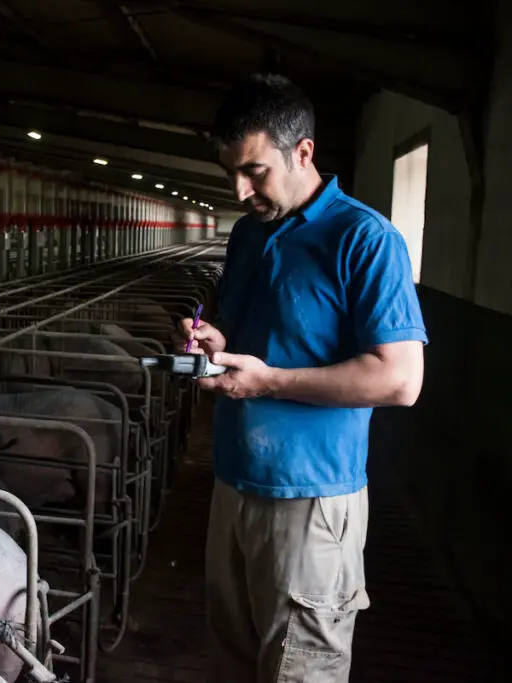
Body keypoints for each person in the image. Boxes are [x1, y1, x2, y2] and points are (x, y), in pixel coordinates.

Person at [180, 73, 428, 682]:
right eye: (230, 172)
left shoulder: (364, 238)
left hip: (312, 498)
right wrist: (214, 347)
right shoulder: (247, 235)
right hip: (233, 481)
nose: (240, 189)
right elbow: (250, 344)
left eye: (255, 171)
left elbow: (400, 379)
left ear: (304, 152)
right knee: (232, 657)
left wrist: (268, 383)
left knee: (299, 668)